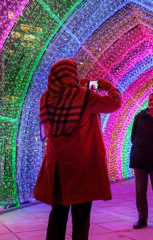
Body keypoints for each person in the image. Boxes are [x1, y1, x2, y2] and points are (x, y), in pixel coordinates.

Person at [33, 58, 121, 240]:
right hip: (81, 167)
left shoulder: (45, 97)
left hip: (56, 167)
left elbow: (64, 102)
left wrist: (82, 89)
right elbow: (114, 103)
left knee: (57, 214)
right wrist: (105, 85)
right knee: (81, 217)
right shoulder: (83, 95)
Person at [129, 93, 153, 230]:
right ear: (148, 102)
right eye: (151, 100)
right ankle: (142, 218)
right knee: (140, 190)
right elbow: (133, 137)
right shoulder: (139, 117)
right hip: (140, 160)